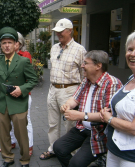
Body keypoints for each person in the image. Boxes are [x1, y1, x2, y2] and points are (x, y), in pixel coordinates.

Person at [0, 27, 38, 167]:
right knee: (4, 133)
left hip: (18, 103)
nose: (7, 45)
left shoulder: (23, 61)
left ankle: (25, 159)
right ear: (1, 45)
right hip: (2, 103)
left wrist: (21, 89)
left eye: (9, 42)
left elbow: (33, 80)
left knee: (21, 134)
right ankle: (8, 158)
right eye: (4, 43)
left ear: (15, 44)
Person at [53, 50, 122, 167]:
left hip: (99, 133)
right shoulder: (87, 80)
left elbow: (107, 116)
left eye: (85, 63)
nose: (82, 66)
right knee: (58, 147)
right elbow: (75, 99)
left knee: (76, 163)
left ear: (98, 66)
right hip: (82, 127)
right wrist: (67, 106)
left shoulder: (112, 83)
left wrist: (81, 115)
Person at [100, 29, 135, 167]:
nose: (132, 54)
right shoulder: (131, 78)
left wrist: (109, 119)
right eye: (130, 49)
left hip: (134, 156)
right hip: (115, 149)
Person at [40, 18, 87, 160]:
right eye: (57, 32)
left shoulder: (80, 50)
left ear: (70, 31)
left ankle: (71, 152)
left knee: (70, 124)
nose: (58, 34)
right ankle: (53, 148)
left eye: (61, 31)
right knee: (52, 123)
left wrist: (79, 95)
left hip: (69, 91)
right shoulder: (54, 48)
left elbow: (84, 75)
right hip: (52, 89)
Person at [0, 32, 34, 156]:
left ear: (18, 44)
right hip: (7, 95)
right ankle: (11, 142)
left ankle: (29, 145)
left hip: (22, 94)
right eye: (6, 42)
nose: (8, 45)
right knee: (8, 119)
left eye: (12, 42)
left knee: (25, 120)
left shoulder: (25, 56)